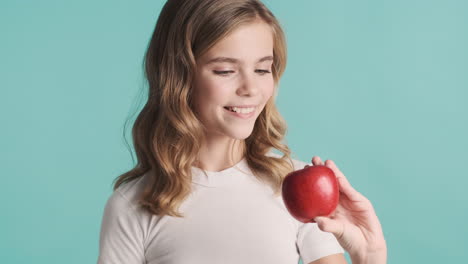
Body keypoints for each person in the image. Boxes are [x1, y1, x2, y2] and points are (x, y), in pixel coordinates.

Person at [96, 0, 387, 263]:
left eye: (262, 70)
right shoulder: (132, 205)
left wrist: (370, 258)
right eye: (225, 70)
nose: (250, 89)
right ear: (179, 76)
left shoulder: (295, 192)